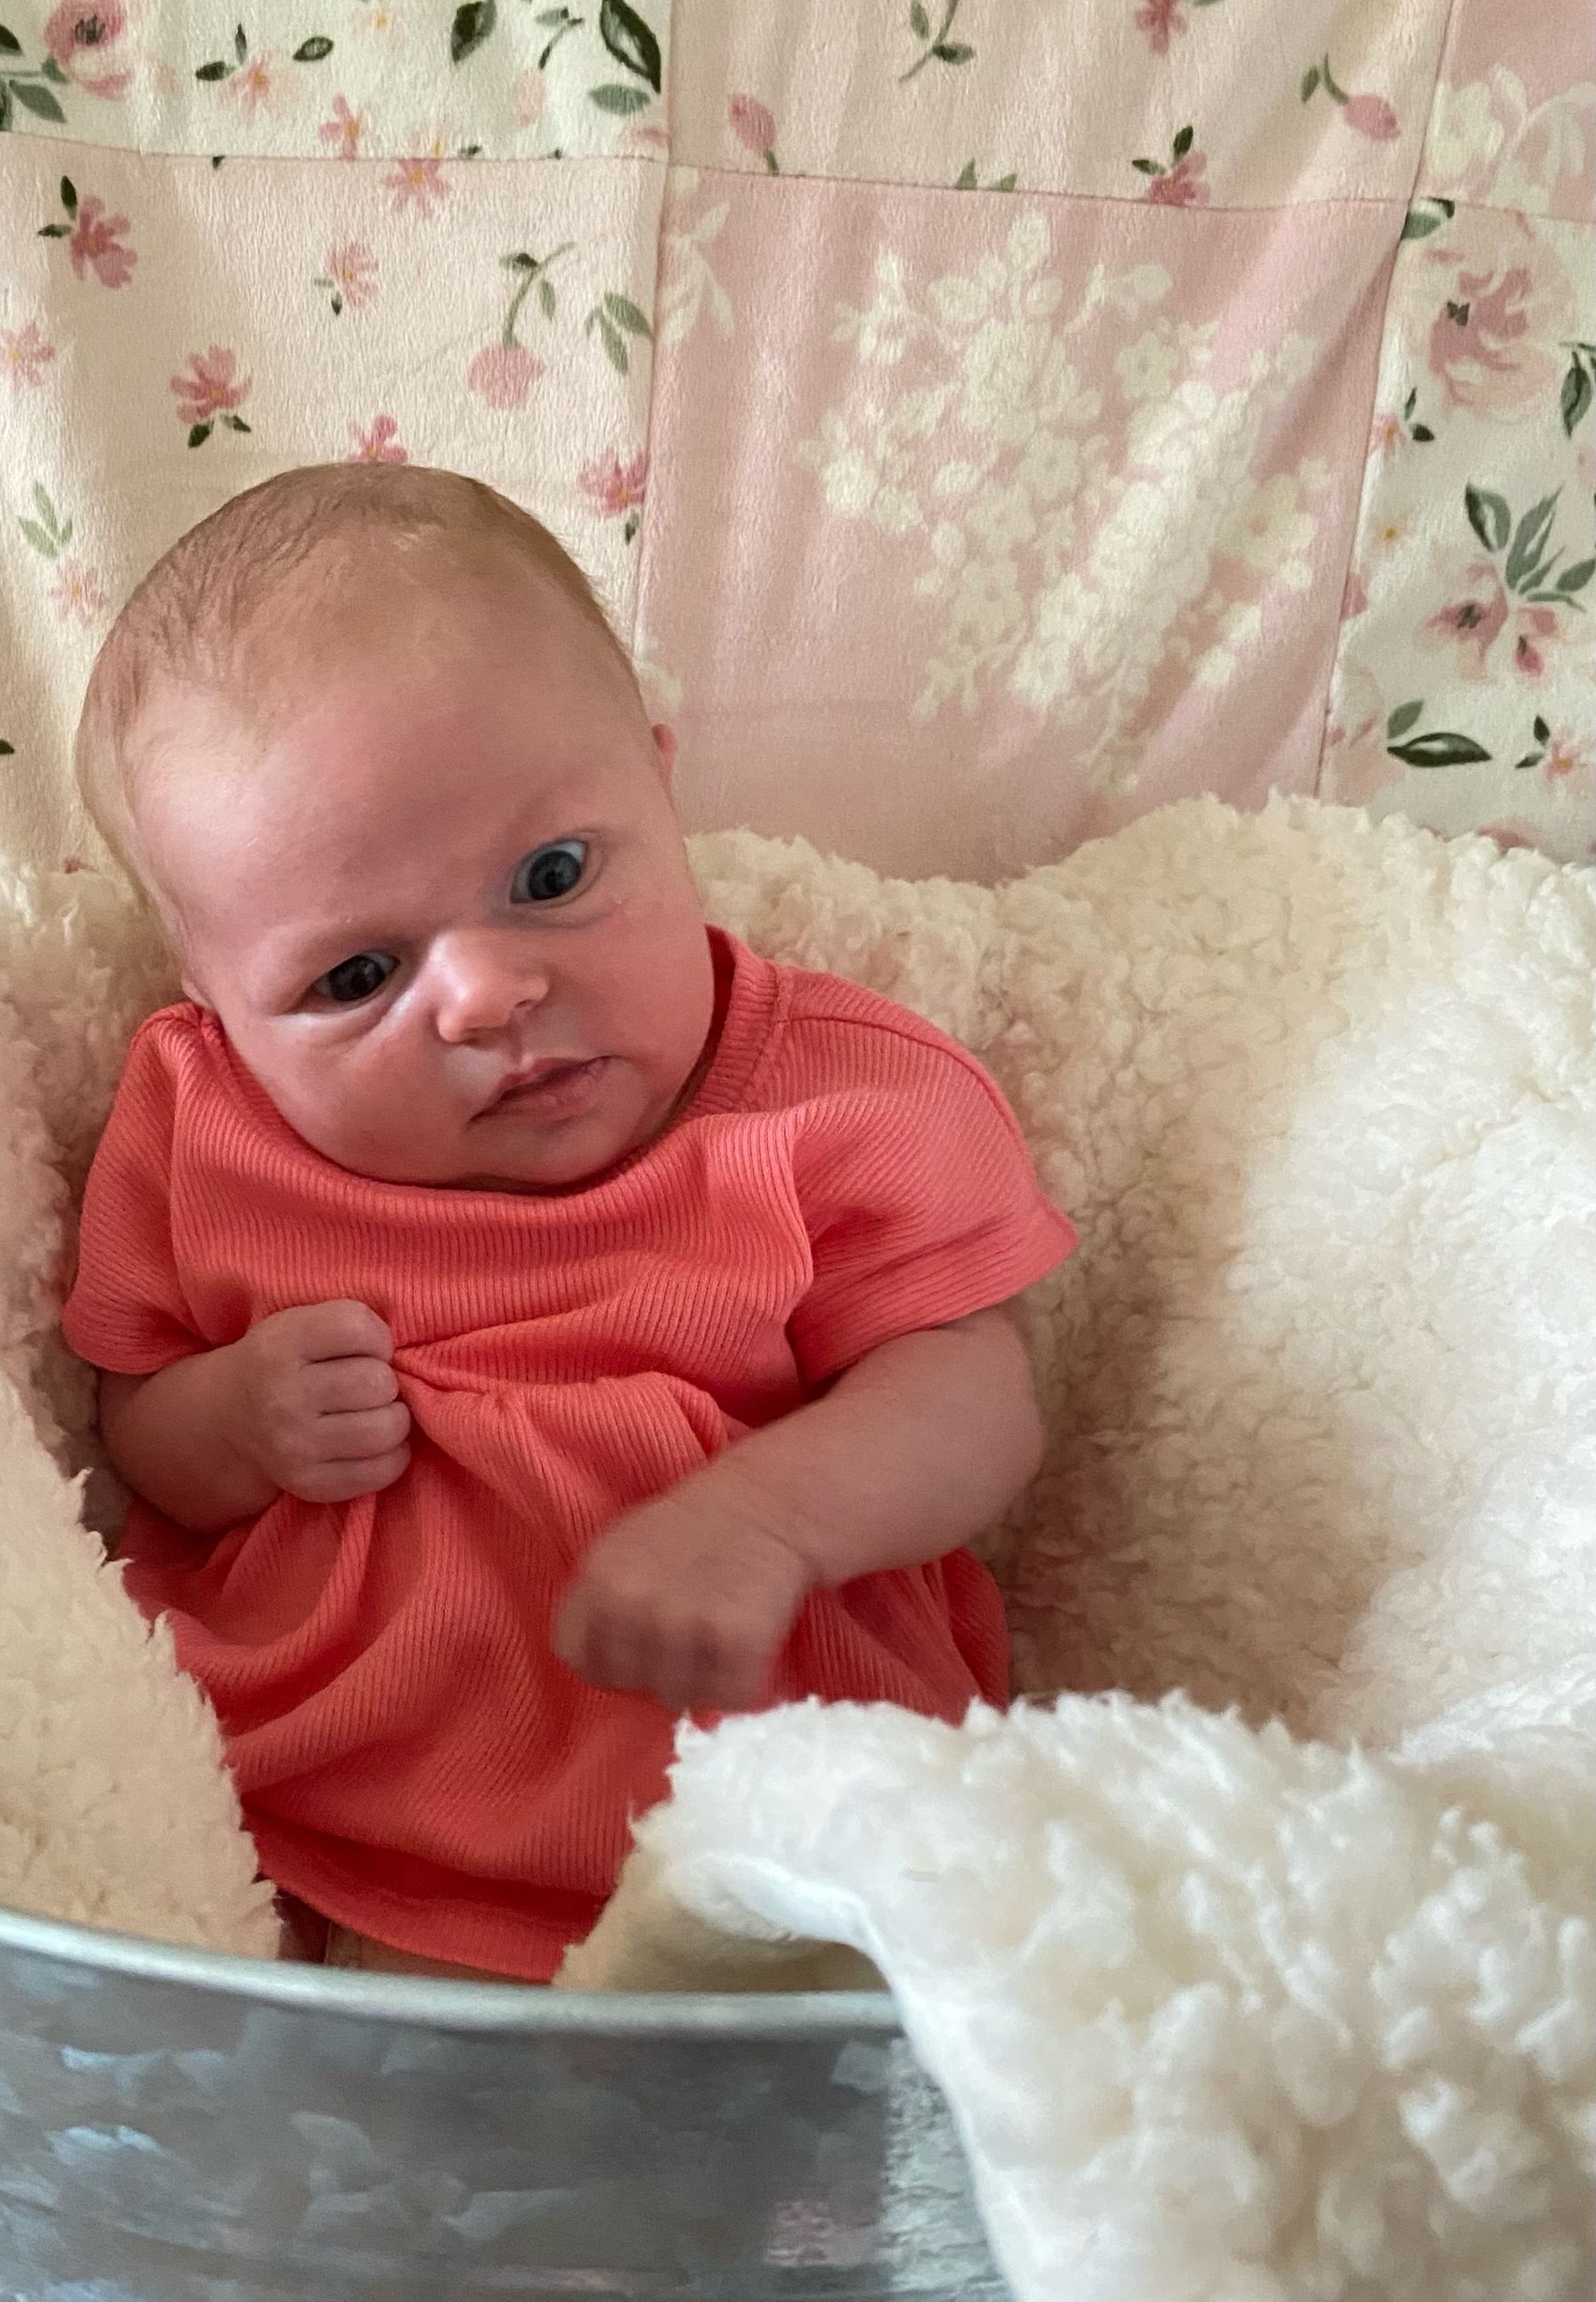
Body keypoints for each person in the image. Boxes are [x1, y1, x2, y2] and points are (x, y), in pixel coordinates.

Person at [62, 463, 1075, 1980]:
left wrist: (774, 1520)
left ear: (662, 787)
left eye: (550, 878)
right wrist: (235, 1419)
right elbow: (130, 1424)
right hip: (329, 1823)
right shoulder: (206, 1128)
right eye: (355, 978)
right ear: (213, 1003)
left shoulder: (841, 1102)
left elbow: (977, 1399)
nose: (484, 994)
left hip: (780, 1831)